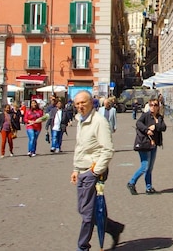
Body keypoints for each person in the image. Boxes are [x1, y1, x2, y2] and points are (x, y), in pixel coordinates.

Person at [70, 90, 124, 250]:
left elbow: (108, 150)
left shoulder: (99, 122)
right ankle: (113, 228)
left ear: (91, 103)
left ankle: (83, 246)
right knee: (84, 209)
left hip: (93, 171)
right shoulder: (81, 119)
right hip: (82, 170)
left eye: (83, 103)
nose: (80, 106)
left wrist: (94, 171)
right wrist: (75, 169)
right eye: (77, 103)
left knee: (86, 213)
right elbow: (80, 147)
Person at [127, 98, 166, 195]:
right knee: (145, 166)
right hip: (144, 144)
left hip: (154, 145)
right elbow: (138, 123)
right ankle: (131, 182)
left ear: (158, 107)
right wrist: (147, 130)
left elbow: (163, 127)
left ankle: (149, 187)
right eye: (151, 105)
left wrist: (156, 126)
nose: (153, 107)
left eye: (155, 105)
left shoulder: (159, 117)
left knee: (150, 167)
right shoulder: (145, 115)